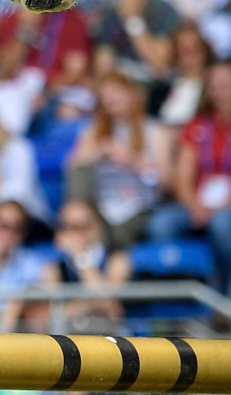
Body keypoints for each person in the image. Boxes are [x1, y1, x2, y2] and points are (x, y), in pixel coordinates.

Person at [66, 73, 172, 247]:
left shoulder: (155, 130)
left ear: (132, 93)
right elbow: (73, 170)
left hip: (139, 206)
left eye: (116, 92)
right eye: (104, 96)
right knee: (80, 173)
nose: (110, 98)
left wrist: (133, 160)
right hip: (100, 208)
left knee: (102, 234)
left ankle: (90, 248)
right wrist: (98, 151)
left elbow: (167, 183)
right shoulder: (93, 132)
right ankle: (78, 225)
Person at [150, 61, 231, 290]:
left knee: (223, 225)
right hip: (197, 204)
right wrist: (195, 205)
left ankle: (222, 295)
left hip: (226, 207)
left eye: (225, 84)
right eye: (214, 85)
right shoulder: (198, 126)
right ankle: (175, 298)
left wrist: (216, 208)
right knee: (162, 224)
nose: (220, 92)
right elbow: (183, 177)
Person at [43, 199, 131, 324]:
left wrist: (81, 257)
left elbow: (110, 308)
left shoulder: (116, 260)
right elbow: (47, 317)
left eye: (77, 227)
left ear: (96, 228)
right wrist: (91, 303)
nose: (70, 234)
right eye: (64, 227)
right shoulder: (55, 265)